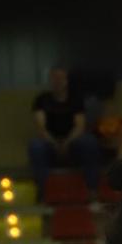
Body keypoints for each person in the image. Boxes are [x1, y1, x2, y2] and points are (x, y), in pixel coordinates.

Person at [28, 65, 100, 193]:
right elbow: (41, 127)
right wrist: (55, 144)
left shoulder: (76, 99)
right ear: (50, 80)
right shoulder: (42, 100)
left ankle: (92, 190)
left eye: (61, 78)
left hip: (73, 144)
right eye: (54, 78)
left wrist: (66, 143)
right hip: (50, 144)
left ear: (67, 81)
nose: (58, 81)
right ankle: (43, 192)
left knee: (90, 142)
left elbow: (80, 126)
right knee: (35, 146)